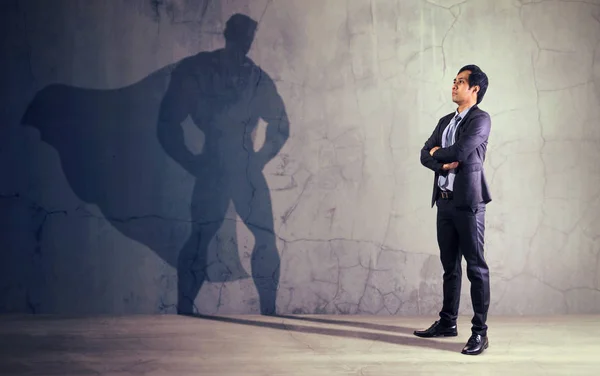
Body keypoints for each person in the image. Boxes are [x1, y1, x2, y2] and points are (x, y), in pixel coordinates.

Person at [157, 14, 289, 316]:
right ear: (233, 36)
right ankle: (185, 308)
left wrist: (259, 158)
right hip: (218, 164)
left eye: (248, 38)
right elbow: (167, 123)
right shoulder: (200, 69)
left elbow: (280, 124)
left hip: (237, 165)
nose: (246, 43)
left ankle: (267, 309)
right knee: (202, 235)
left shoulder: (253, 76)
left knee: (258, 236)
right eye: (244, 36)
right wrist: (189, 161)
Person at [414, 65, 492, 355]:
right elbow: (424, 153)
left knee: (475, 267)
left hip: (469, 203)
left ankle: (480, 333)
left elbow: (461, 151)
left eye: (461, 82)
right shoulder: (445, 120)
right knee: (450, 267)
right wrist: (437, 159)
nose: (454, 86)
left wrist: (438, 153)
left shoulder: (481, 119)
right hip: (444, 201)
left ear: (475, 89)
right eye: (454, 81)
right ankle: (448, 322)